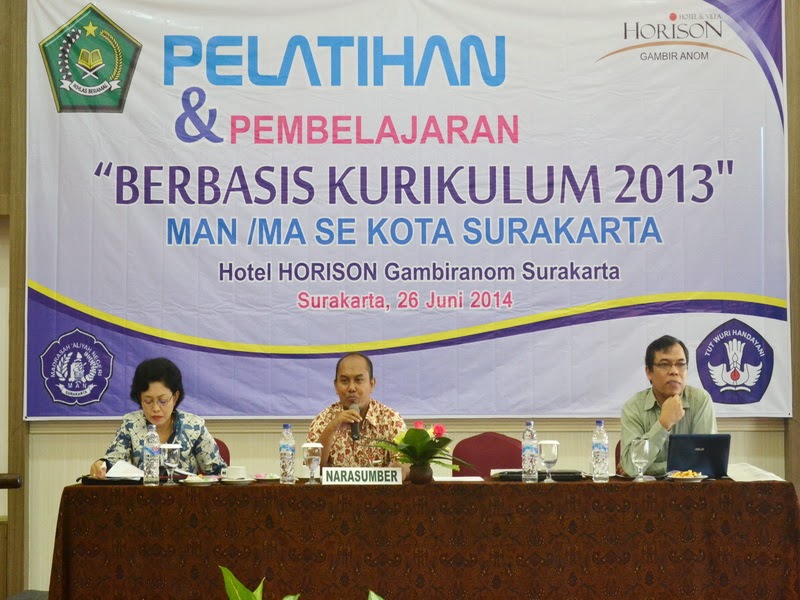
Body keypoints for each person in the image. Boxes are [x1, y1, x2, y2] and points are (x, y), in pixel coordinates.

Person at [88, 357, 227, 478]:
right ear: (139, 398)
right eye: (148, 401)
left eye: (162, 401)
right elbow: (114, 460)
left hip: (186, 498)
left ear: (175, 397)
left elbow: (218, 471)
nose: (155, 408)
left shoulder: (194, 426)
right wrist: (101, 464)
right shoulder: (131, 424)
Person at [619, 335, 718, 477]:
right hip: (646, 490)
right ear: (649, 372)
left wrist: (650, 469)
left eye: (680, 364)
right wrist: (664, 423)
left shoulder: (700, 401)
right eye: (664, 364)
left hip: (692, 489)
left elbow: (704, 462)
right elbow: (631, 466)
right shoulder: (633, 407)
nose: (674, 371)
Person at [307, 352, 407, 471]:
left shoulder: (390, 419)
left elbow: (405, 464)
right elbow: (311, 467)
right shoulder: (323, 420)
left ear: (372, 384)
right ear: (336, 386)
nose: (351, 388)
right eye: (344, 381)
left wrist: (399, 468)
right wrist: (331, 428)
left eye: (358, 380)